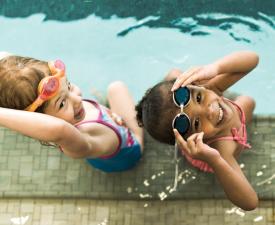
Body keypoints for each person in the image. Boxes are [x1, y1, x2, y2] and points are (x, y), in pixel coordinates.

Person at [136, 51, 259, 210]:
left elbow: (253, 59)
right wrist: (215, 161)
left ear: (198, 86)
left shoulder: (211, 86)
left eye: (199, 98)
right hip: (203, 153)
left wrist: (215, 68)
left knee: (175, 74)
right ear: (191, 138)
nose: (211, 111)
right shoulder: (222, 150)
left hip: (199, 109)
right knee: (247, 102)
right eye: (196, 123)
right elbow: (250, 203)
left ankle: (173, 89)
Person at [0, 52, 143, 172]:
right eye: (62, 103)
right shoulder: (78, 137)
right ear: (40, 118)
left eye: (68, 85)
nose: (77, 99)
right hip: (128, 154)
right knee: (116, 87)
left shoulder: (72, 120)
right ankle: (140, 140)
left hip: (100, 150)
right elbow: (59, 129)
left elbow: (11, 68)